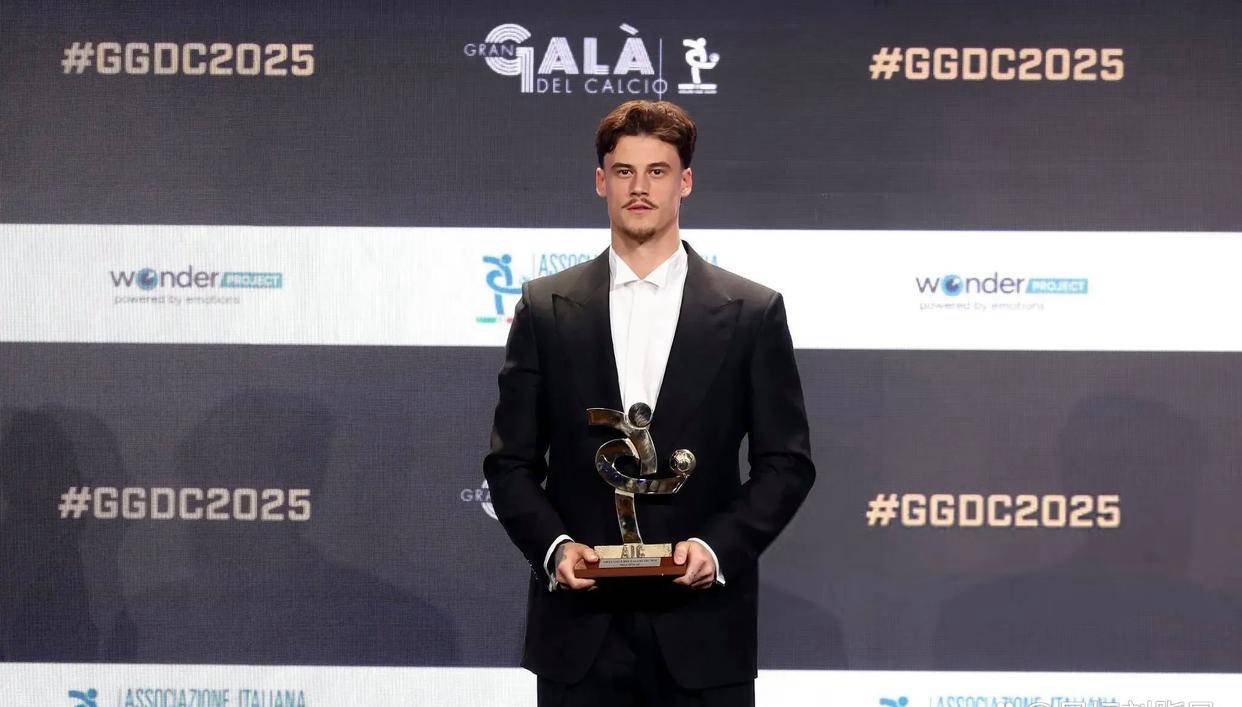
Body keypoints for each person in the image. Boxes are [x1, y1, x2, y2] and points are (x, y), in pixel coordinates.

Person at [484, 99, 815, 707]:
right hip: (579, 634)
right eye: (624, 171)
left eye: (657, 171)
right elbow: (510, 463)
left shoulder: (752, 311)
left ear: (685, 182)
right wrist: (554, 549)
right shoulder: (544, 308)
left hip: (703, 631)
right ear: (601, 181)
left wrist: (716, 548)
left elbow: (786, 463)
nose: (640, 188)